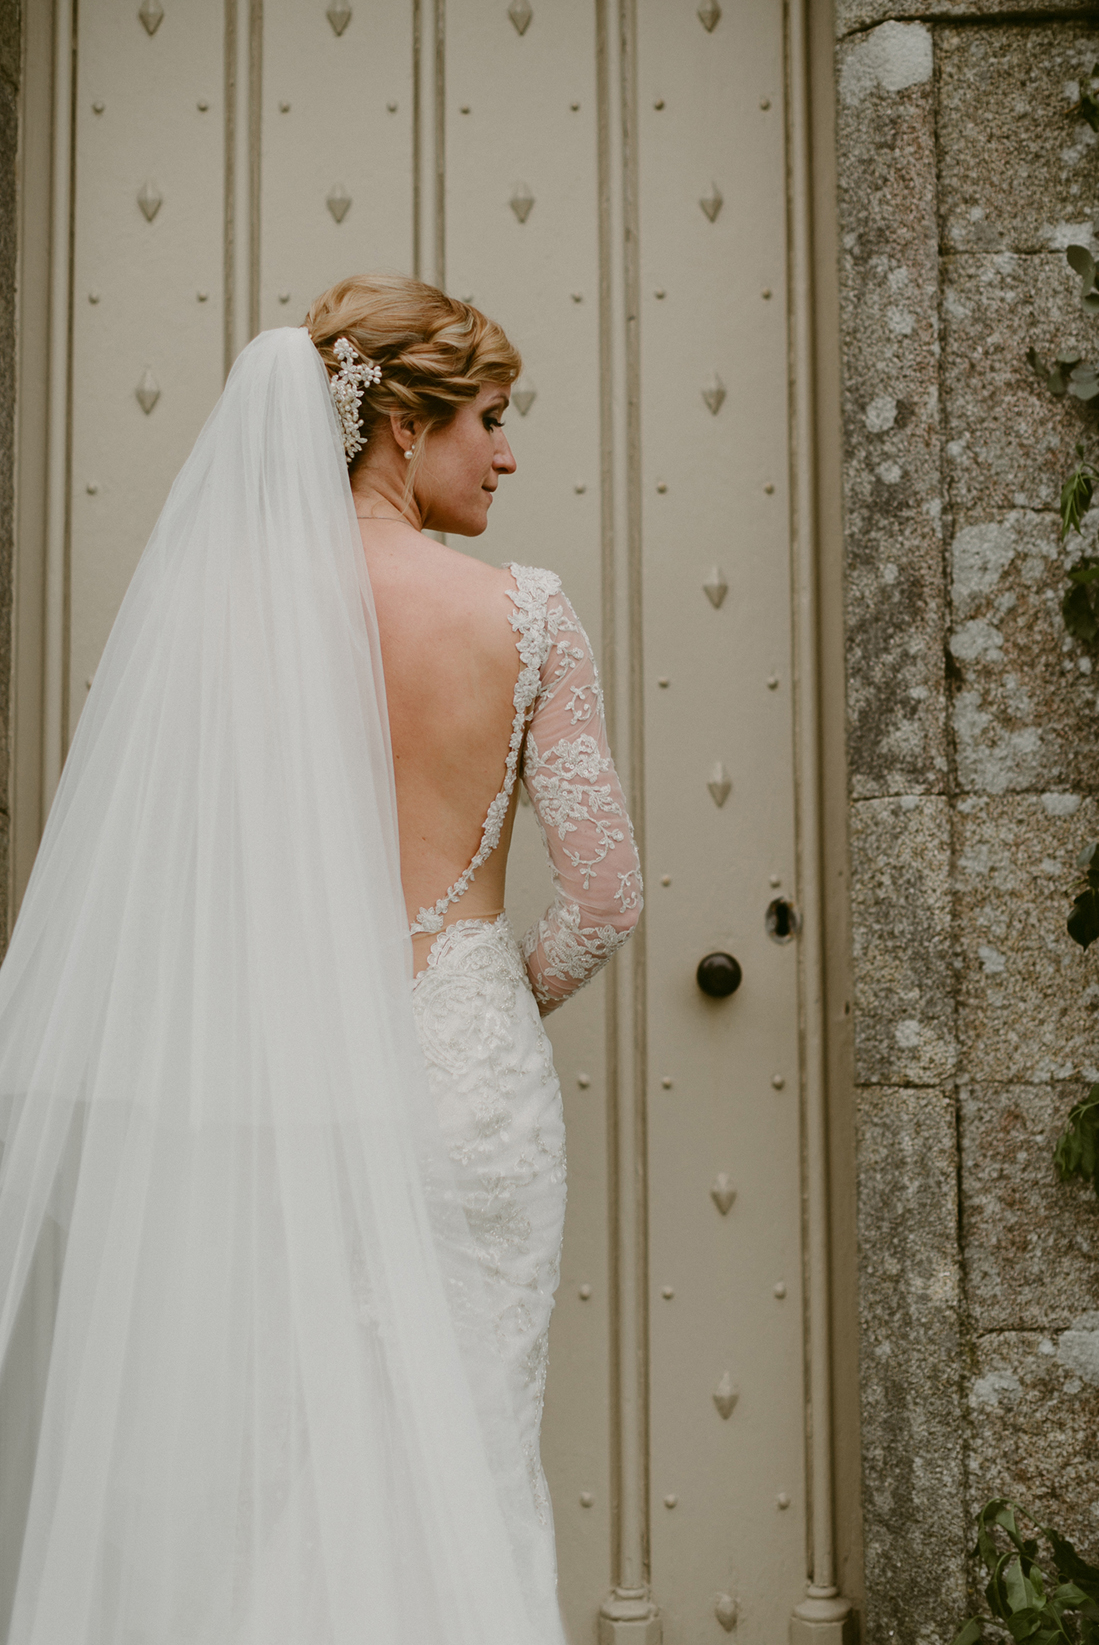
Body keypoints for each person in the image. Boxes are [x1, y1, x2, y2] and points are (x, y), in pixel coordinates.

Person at [0, 276, 641, 1644]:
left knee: (285, 1463)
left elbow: (168, 886)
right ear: (399, 428)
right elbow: (606, 897)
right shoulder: (525, 614)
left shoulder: (216, 615)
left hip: (280, 1083)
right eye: (490, 417)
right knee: (467, 1456)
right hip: (468, 1088)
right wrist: (489, 995)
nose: (510, 453)